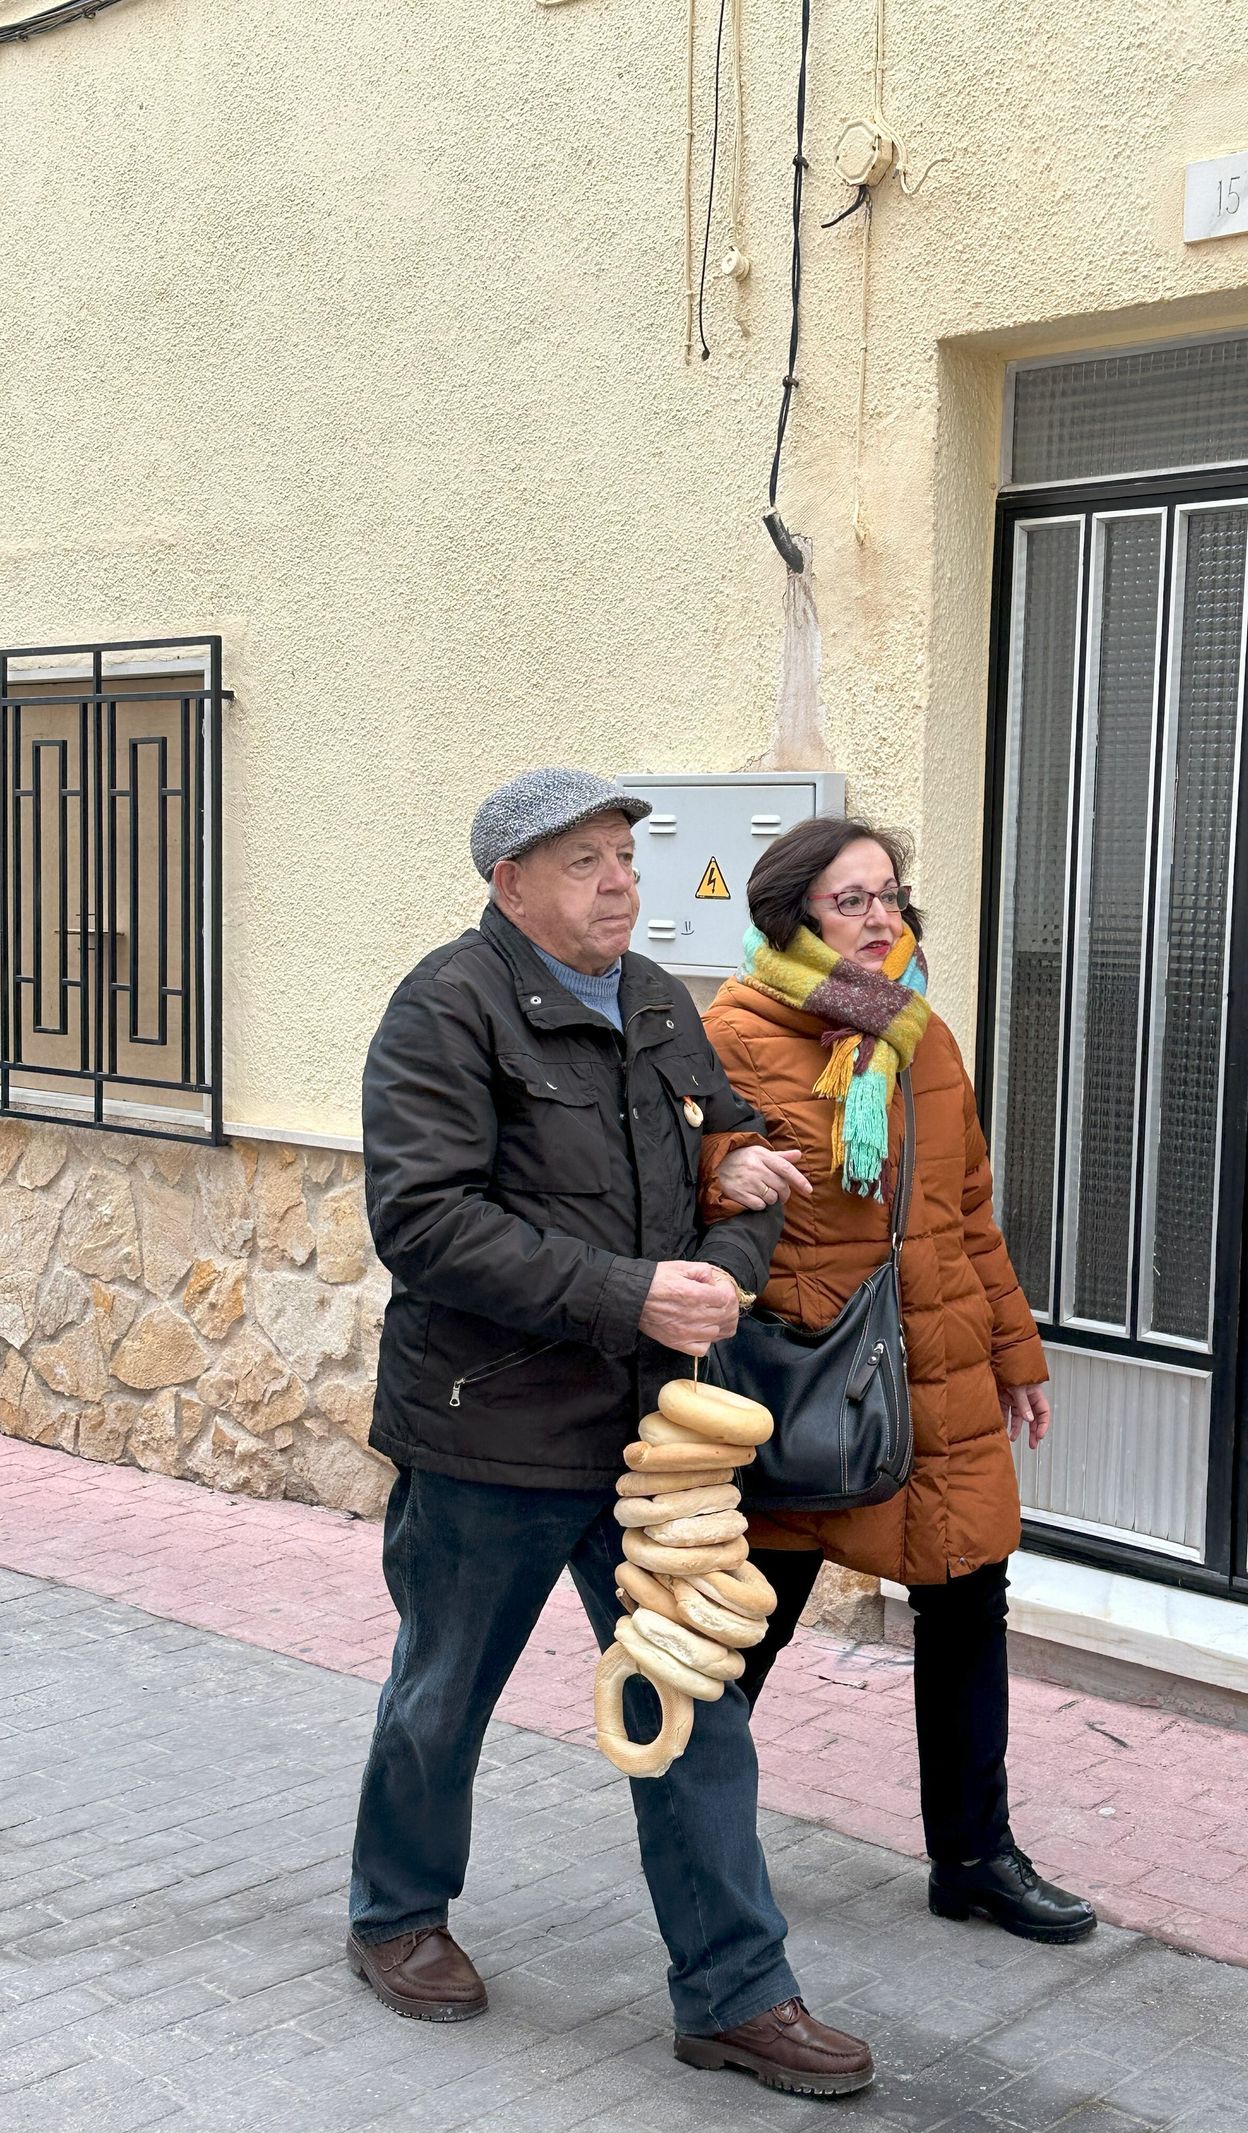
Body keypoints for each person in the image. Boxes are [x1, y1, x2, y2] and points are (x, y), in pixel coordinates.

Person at [346, 767, 873, 2098]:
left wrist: (731, 1256)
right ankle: (397, 1914)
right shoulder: (444, 1011)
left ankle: (735, 1994)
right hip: (491, 1434)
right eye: (581, 862)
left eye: (623, 857)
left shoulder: (656, 1003)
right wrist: (630, 1290)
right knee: (443, 1693)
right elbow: (426, 1220)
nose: (618, 882)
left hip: (654, 1446)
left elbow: (737, 1154)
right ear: (508, 885)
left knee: (692, 1701)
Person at [700, 815, 1098, 1945]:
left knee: (969, 1601)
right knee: (750, 1621)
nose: (881, 921)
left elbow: (965, 1208)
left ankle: (974, 1857)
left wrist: (1015, 1353)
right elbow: (681, 1186)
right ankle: (691, 1839)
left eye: (889, 897)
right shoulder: (729, 1037)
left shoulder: (921, 1036)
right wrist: (723, 1169)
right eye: (851, 901)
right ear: (791, 917)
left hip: (939, 1370)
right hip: (806, 1373)